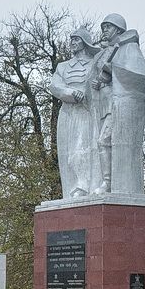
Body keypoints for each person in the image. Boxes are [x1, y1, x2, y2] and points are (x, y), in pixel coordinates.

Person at [90, 13, 145, 195]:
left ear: (118, 28)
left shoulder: (129, 47)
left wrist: (111, 69)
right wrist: (101, 81)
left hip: (121, 107)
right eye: (103, 27)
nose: (104, 30)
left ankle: (108, 182)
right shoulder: (110, 49)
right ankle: (107, 182)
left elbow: (137, 74)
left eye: (108, 26)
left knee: (103, 141)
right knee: (102, 142)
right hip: (107, 106)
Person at [49, 27, 101, 197]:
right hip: (68, 112)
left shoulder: (95, 63)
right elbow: (55, 86)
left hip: (85, 112)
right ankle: (72, 188)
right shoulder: (63, 67)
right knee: (67, 152)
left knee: (82, 149)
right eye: (71, 39)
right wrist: (71, 93)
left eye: (77, 39)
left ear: (85, 42)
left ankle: (83, 185)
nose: (72, 42)